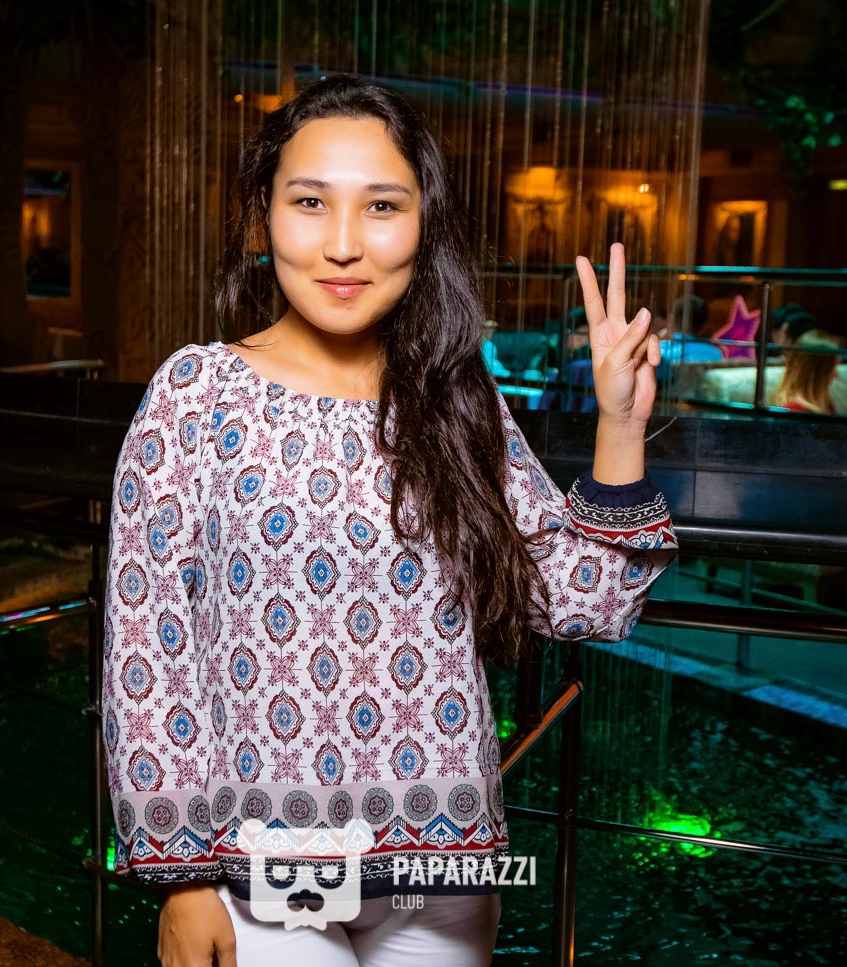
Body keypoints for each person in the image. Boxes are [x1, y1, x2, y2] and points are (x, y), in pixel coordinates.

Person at [103, 75, 678, 967]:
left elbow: (584, 600)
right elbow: (149, 648)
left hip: (438, 872)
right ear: (263, 216)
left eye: (381, 205)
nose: (343, 243)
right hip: (270, 867)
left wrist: (621, 424)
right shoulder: (196, 393)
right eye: (309, 202)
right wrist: (182, 879)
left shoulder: (457, 397)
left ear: (423, 223)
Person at [772, 330, 841, 414]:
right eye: (833, 368)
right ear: (819, 374)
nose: (836, 375)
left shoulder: (827, 404)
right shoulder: (795, 410)